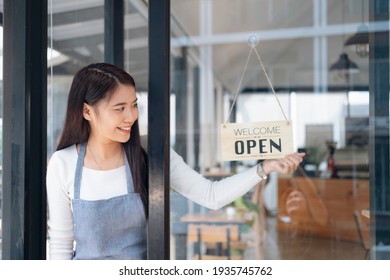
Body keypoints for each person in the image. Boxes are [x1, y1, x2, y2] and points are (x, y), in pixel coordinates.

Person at [46, 62, 305, 260]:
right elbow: (60, 245)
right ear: (87, 111)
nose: (131, 116)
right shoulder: (63, 164)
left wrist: (264, 168)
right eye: (119, 108)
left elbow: (211, 195)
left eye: (134, 105)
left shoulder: (150, 153)